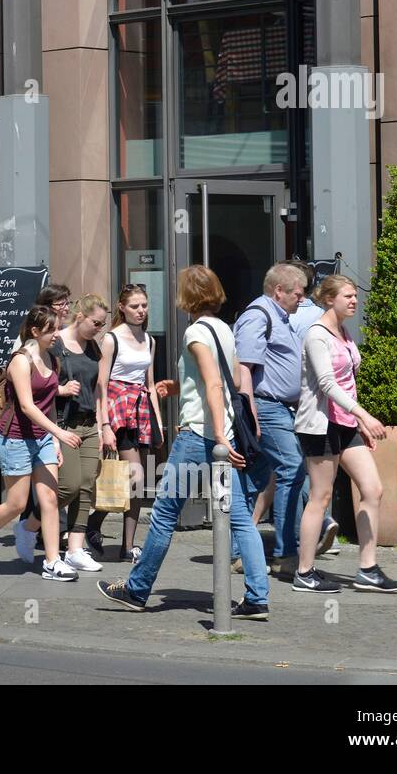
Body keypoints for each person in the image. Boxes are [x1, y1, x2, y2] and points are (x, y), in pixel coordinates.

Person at [98, 265, 270, 619]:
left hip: (199, 437)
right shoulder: (224, 328)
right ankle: (257, 597)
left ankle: (137, 589)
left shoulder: (196, 332)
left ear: (187, 297)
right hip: (223, 435)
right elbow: (234, 378)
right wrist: (179, 387)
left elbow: (214, 384)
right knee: (240, 518)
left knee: (163, 515)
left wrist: (218, 434)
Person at [293, 275, 397, 593]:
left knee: (373, 489)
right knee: (320, 496)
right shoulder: (317, 335)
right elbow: (327, 384)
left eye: (355, 296)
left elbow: (349, 384)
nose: (354, 300)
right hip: (320, 425)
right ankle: (304, 571)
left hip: (345, 424)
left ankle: (367, 568)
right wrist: (365, 416)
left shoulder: (343, 332)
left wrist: (358, 423)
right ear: (329, 299)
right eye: (348, 296)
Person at [232, 262, 338, 575]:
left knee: (255, 478)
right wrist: (251, 413)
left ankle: (241, 552)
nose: (302, 300)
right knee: (292, 469)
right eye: (298, 294)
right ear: (279, 291)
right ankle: (287, 554)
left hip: (281, 407)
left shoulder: (280, 315)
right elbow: (244, 370)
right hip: (267, 407)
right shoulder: (258, 315)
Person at [0, 306, 78, 580]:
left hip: (43, 439)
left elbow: (47, 403)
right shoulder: (20, 361)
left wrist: (54, 439)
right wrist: (60, 434)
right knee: (16, 503)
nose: (56, 335)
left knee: (50, 498)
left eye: (57, 329)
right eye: (51, 330)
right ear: (35, 332)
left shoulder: (52, 359)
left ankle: (52, 561)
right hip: (15, 439)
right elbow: (26, 406)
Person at [14, 295, 112, 573]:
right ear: (79, 316)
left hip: (89, 423)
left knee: (87, 486)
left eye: (103, 324)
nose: (99, 328)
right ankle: (29, 526)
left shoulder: (93, 347)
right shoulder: (54, 344)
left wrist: (105, 425)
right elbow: (38, 387)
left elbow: (99, 388)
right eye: (95, 323)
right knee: (69, 485)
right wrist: (61, 390)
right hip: (61, 423)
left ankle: (75, 549)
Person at [95, 284, 165, 562]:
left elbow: (150, 384)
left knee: (137, 481)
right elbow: (101, 383)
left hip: (141, 410)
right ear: (122, 308)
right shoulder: (112, 338)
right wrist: (105, 425)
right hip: (117, 408)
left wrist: (159, 424)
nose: (141, 311)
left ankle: (127, 545)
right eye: (135, 306)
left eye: (144, 305)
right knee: (134, 475)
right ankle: (93, 524)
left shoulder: (150, 340)